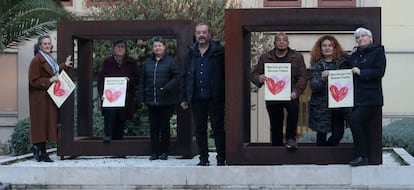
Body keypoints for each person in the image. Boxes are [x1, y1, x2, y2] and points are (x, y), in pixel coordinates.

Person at [251, 32, 307, 150]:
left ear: (288, 43)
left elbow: (303, 76)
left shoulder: (297, 57)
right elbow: (254, 75)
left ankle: (291, 139)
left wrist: (296, 92)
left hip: (291, 93)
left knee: (293, 114)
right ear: (274, 43)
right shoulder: (265, 57)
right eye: (279, 40)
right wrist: (259, 78)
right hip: (273, 94)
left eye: (284, 40)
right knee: (276, 122)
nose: (281, 42)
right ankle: (276, 146)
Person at [180, 22, 226, 166]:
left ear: (209, 34)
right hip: (196, 98)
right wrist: (184, 97)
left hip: (215, 97)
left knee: (218, 128)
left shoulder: (219, 51)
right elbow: (185, 76)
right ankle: (203, 159)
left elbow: (226, 74)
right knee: (199, 130)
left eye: (204, 32)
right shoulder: (190, 53)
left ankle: (221, 158)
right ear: (195, 34)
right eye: (199, 32)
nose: (201, 35)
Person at [28, 35, 72, 162]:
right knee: (42, 125)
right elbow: (33, 81)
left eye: (49, 43)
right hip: (40, 99)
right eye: (45, 44)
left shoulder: (48, 59)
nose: (47, 46)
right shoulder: (36, 60)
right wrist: (49, 80)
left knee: (46, 125)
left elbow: (54, 70)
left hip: (48, 98)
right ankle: (41, 152)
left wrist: (65, 65)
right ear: (40, 46)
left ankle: (38, 150)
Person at [348, 27, 386, 166]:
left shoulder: (378, 51)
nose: (360, 39)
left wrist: (361, 72)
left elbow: (379, 72)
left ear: (370, 38)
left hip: (371, 98)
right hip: (357, 98)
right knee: (360, 125)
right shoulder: (355, 55)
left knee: (354, 121)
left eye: (363, 36)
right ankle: (364, 155)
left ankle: (362, 156)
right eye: (357, 37)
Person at [140, 36, 181, 160]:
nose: (157, 48)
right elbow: (143, 81)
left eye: (160, 45)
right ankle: (154, 152)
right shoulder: (147, 62)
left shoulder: (170, 61)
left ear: (164, 47)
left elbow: (177, 77)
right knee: (153, 128)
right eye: (155, 46)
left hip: (166, 100)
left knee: (164, 127)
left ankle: (164, 152)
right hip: (151, 100)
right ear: (153, 48)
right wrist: (142, 98)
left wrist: (166, 88)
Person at [308, 35, 351, 146]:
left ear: (334, 47)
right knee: (321, 136)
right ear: (320, 48)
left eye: (330, 45)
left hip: (338, 105)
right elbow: (314, 86)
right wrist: (322, 78)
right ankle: (321, 159)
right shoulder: (316, 65)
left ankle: (328, 154)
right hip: (321, 107)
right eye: (324, 46)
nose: (327, 48)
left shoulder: (343, 63)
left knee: (338, 134)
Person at [97, 40, 140, 143]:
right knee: (110, 114)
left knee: (121, 121)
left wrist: (129, 80)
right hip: (110, 97)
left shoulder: (131, 62)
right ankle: (108, 137)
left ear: (125, 49)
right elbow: (101, 80)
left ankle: (119, 149)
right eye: (118, 47)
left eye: (122, 47)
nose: (120, 49)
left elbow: (138, 78)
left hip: (125, 97)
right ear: (114, 48)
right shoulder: (107, 62)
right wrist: (102, 94)